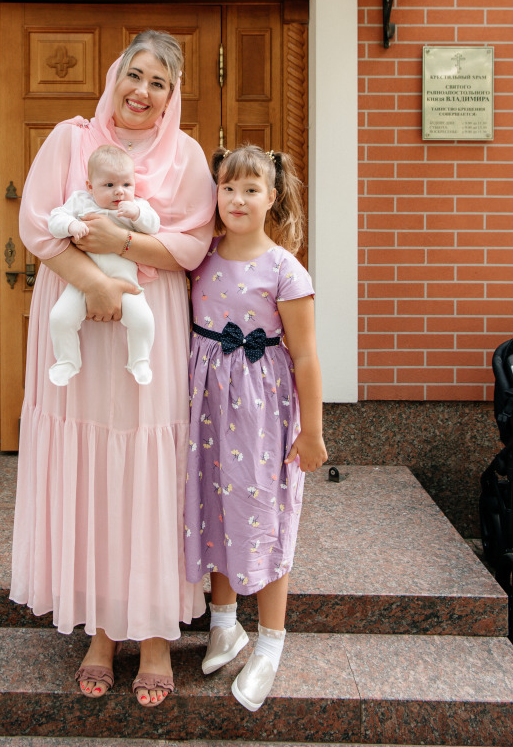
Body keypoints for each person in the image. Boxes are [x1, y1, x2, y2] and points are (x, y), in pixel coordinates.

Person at [10, 30, 217, 707]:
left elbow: (189, 244)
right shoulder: (69, 141)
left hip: (143, 333)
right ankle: (101, 630)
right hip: (78, 312)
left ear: (172, 95)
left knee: (148, 468)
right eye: (135, 74)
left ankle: (155, 634)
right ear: (114, 75)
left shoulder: (184, 156)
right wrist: (93, 284)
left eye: (159, 82)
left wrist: (124, 243)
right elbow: (38, 227)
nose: (142, 91)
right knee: (92, 469)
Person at [184, 144, 327, 712]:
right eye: (227, 188)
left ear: (272, 196)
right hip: (206, 409)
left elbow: (308, 357)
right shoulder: (200, 255)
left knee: (262, 513)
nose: (237, 199)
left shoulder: (285, 269)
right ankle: (223, 623)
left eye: (250, 189)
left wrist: (311, 432)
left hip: (263, 412)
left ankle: (270, 640)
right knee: (214, 506)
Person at [47, 144, 160, 386]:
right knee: (59, 318)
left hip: (126, 284)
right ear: (90, 186)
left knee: (144, 319)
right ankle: (67, 360)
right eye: (109, 185)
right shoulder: (80, 201)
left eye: (126, 185)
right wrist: (70, 225)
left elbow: (153, 226)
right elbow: (54, 219)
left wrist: (137, 214)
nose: (119, 192)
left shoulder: (136, 206)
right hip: (82, 282)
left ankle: (139, 360)